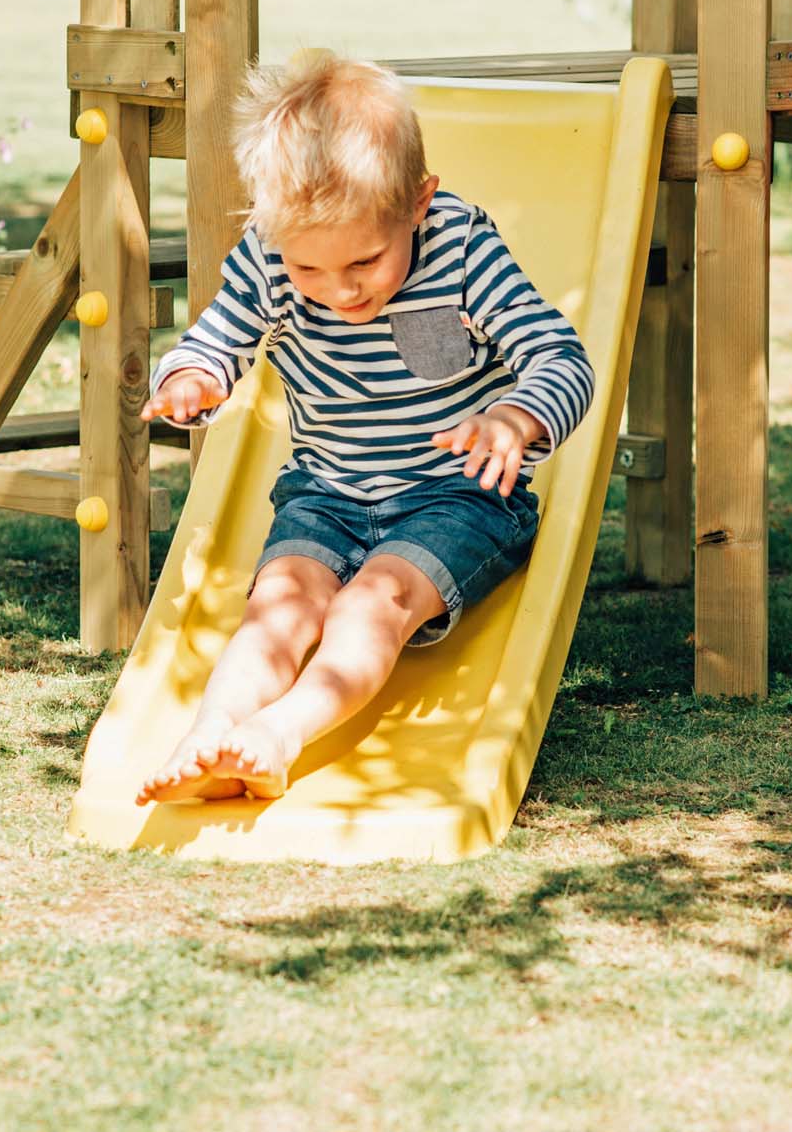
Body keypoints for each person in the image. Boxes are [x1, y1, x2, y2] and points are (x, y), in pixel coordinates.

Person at [135, 55, 595, 805]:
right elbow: (217, 338)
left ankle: (280, 736)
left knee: (368, 602)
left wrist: (517, 416)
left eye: (365, 260)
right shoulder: (271, 257)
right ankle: (210, 733)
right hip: (327, 492)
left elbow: (560, 355)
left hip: (459, 497)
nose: (339, 288)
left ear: (419, 203)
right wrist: (193, 379)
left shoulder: (464, 252)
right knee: (279, 603)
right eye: (309, 269)